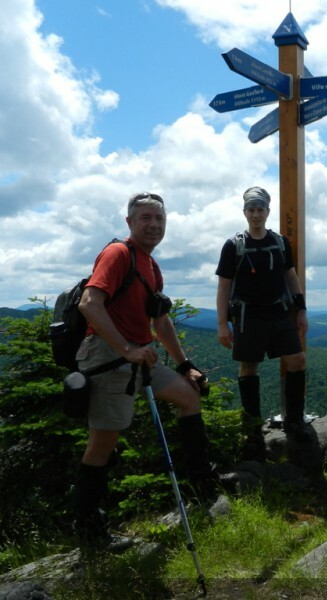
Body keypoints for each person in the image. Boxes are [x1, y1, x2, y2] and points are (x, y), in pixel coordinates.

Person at [73, 192, 225, 549]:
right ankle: (90, 528)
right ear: (130, 222)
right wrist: (126, 349)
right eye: (145, 218)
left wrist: (185, 365)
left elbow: (160, 321)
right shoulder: (118, 254)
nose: (154, 225)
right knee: (103, 441)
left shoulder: (151, 266)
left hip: (144, 356)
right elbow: (88, 303)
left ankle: (202, 482)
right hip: (110, 357)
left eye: (159, 219)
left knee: (189, 397)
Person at [215, 186, 309, 449]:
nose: (256, 215)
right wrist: (222, 323)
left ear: (268, 212)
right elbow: (224, 286)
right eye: (252, 210)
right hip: (248, 315)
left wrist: (301, 309)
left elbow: (291, 276)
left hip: (278, 312)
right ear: (245, 212)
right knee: (248, 367)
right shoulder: (233, 246)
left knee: (297, 360)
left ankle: (294, 420)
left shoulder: (279, 243)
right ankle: (253, 429)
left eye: (261, 210)